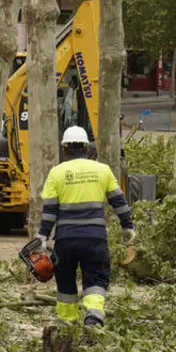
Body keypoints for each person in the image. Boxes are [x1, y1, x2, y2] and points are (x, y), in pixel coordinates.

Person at [36, 126, 135, 327]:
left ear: (64, 149)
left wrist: (42, 237)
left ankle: (66, 322)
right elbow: (119, 202)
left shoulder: (56, 173)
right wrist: (128, 226)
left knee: (65, 279)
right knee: (96, 276)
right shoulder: (103, 170)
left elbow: (49, 211)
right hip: (95, 238)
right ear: (86, 147)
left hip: (65, 240)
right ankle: (94, 315)